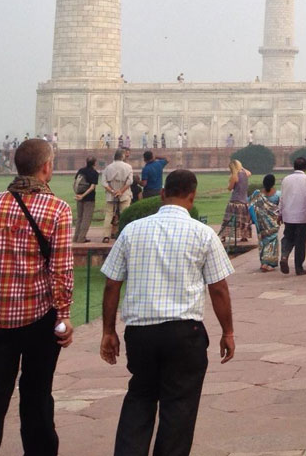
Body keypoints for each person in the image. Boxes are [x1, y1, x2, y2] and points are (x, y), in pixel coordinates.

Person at [100, 169, 234, 456]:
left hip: (141, 333)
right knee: (179, 409)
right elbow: (219, 289)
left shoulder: (132, 230)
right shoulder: (203, 233)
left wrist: (108, 331)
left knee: (140, 399)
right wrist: (228, 332)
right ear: (192, 195)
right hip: (185, 334)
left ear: (162, 194)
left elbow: (112, 284)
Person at [0, 139, 75, 455]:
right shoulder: (57, 209)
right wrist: (64, 313)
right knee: (37, 396)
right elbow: (61, 270)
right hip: (39, 319)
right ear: (46, 167)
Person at [279, 155, 306, 275]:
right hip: (302, 215)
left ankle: (284, 256)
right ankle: (299, 267)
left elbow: (282, 198)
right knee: (300, 242)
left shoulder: (286, 179)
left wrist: (280, 213)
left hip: (288, 214)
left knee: (288, 237)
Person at [248, 174, 282, 272]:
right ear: (273, 183)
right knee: (272, 242)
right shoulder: (278, 194)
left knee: (263, 242)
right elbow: (280, 207)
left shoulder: (257, 194)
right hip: (273, 223)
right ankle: (270, 263)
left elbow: (251, 206)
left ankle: (264, 262)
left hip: (262, 224)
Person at [102, 148, 134, 242]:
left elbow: (104, 183)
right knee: (125, 214)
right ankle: (125, 234)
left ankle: (106, 236)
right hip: (124, 193)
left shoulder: (108, 167)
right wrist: (121, 191)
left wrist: (112, 191)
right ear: (122, 156)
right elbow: (130, 181)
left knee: (108, 214)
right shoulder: (128, 167)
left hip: (111, 194)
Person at [218, 159, 252, 243]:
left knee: (228, 219)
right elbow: (249, 172)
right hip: (244, 201)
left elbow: (230, 188)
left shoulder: (234, 176)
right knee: (243, 220)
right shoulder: (246, 174)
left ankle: (224, 236)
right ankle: (244, 236)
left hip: (235, 201)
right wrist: (241, 167)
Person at [72, 156, 99, 242]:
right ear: (94, 163)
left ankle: (75, 237)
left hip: (79, 196)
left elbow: (75, 183)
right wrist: (83, 195)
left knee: (79, 217)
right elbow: (92, 187)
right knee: (86, 218)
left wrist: (78, 194)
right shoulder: (94, 173)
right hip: (89, 198)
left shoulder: (81, 170)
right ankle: (81, 238)